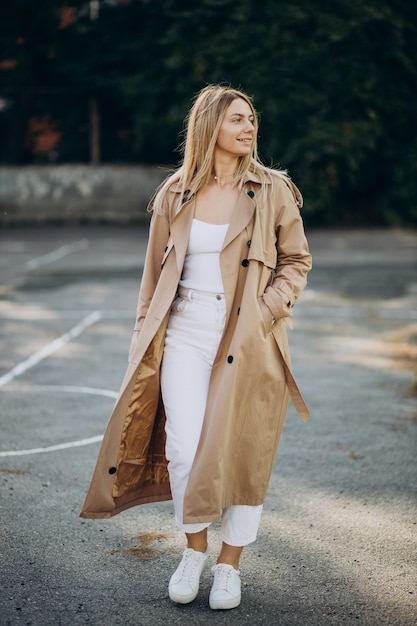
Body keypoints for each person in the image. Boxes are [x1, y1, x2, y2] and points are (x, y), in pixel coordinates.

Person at [80, 84, 312, 610]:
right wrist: (144, 335)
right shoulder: (175, 193)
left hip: (248, 335)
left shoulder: (272, 189)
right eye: (237, 119)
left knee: (243, 450)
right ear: (211, 127)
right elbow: (152, 277)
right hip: (184, 330)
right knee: (185, 447)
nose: (249, 127)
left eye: (251, 119)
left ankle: (229, 565)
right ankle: (194, 551)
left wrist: (265, 310)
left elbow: (297, 261)